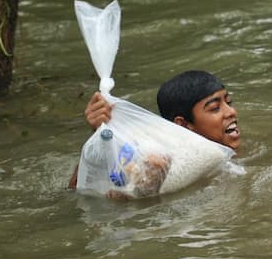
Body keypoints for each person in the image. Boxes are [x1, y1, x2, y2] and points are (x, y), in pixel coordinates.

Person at [68, 70, 241, 194]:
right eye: (215, 108)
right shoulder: (158, 162)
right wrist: (100, 138)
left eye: (229, 102)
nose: (231, 112)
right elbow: (82, 192)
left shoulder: (228, 155)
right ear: (183, 124)